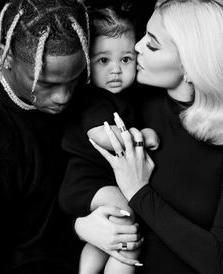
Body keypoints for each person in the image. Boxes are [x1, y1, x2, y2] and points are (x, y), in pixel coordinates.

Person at [60, 0, 223, 273]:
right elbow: (65, 189)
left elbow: (217, 260)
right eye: (144, 36)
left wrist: (139, 192)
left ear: (190, 65)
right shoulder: (126, 103)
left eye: (153, 44)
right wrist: (80, 226)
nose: (137, 47)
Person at [0, 0, 90, 273]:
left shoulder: (90, 98)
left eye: (74, 79)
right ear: (5, 56)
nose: (64, 97)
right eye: (47, 84)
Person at [75, 5, 158, 274]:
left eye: (125, 59)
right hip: (88, 180)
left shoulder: (132, 97)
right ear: (87, 62)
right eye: (103, 60)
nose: (115, 70)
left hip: (107, 181)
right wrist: (139, 137)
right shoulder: (94, 100)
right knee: (125, 222)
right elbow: (101, 135)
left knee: (111, 228)